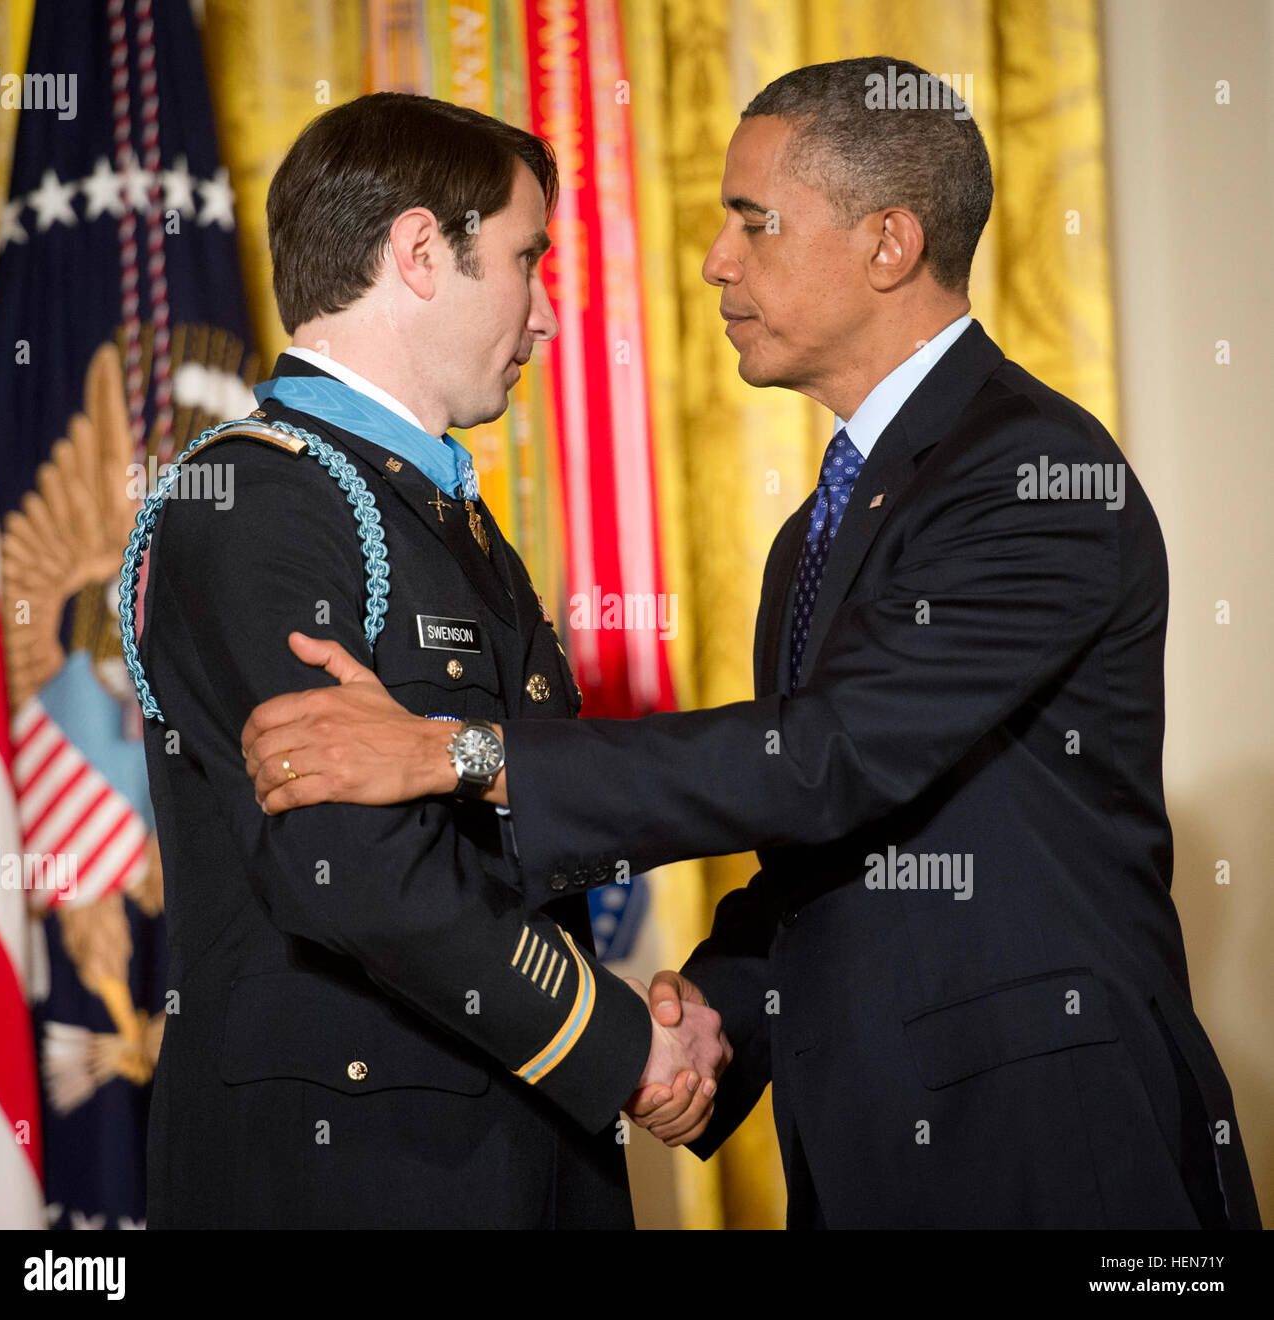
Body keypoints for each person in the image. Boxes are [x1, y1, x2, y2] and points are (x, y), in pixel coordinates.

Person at [239, 60, 1262, 1230]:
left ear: (888, 244)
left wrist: (460, 756)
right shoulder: (820, 527)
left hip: (1048, 1152)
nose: (718, 259)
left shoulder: (1029, 474)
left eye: (753, 221)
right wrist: (715, 1015)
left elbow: (828, 756)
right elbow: (832, 838)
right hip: (872, 1153)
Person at [128, 92, 728, 1230]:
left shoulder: (422, 503)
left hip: (508, 1144)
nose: (545, 316)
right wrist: (619, 1046)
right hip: (360, 1171)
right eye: (523, 260)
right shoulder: (260, 499)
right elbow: (354, 868)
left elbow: (525, 819)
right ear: (417, 251)